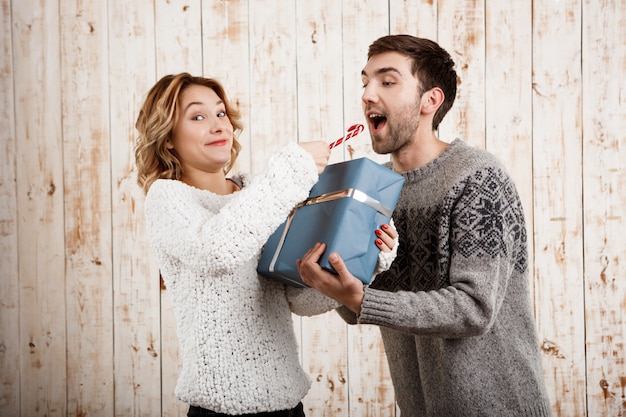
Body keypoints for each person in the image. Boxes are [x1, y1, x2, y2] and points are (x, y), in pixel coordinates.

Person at [296, 35, 553, 416]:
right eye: (365, 81)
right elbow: (354, 306)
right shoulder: (371, 190)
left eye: (387, 81)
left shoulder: (477, 176)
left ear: (430, 101)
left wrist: (360, 299)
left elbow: (473, 308)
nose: (367, 94)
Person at [134, 72, 397, 417]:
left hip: (289, 405)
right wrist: (290, 173)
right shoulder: (167, 198)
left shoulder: (256, 193)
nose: (218, 126)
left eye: (221, 113)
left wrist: (366, 257)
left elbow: (298, 299)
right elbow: (218, 250)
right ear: (167, 138)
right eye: (197, 117)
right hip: (221, 411)